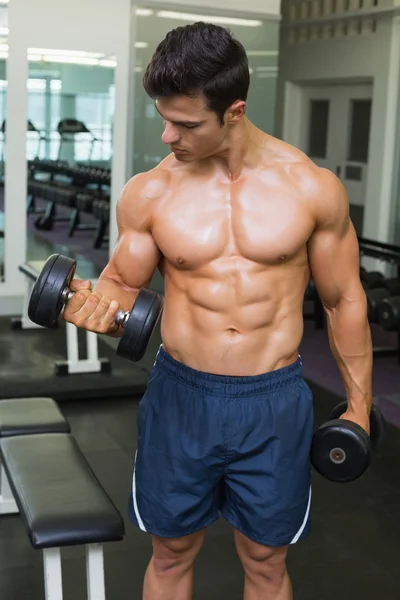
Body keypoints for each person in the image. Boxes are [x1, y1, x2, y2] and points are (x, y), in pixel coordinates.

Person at [63, 22, 373, 600]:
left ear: (234, 110)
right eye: (164, 117)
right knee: (171, 551)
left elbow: (344, 299)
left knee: (264, 561)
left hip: (273, 400)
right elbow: (120, 288)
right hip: (182, 393)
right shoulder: (150, 192)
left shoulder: (311, 188)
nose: (166, 136)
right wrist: (91, 309)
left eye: (185, 124)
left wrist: (359, 406)